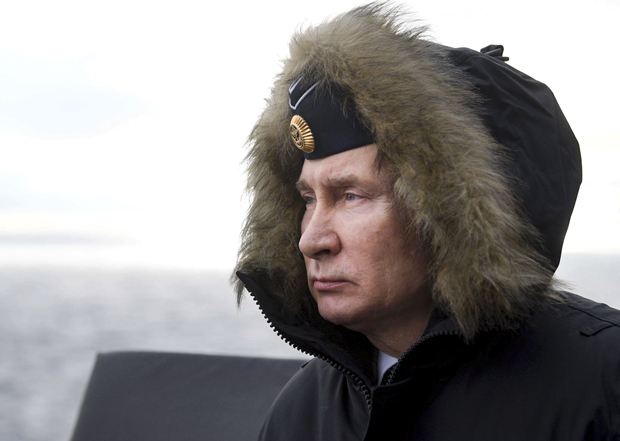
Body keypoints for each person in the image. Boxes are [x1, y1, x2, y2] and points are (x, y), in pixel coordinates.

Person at [233, 3, 620, 440]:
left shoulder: (604, 384)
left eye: (351, 196)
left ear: (450, 216)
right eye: (308, 199)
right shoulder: (302, 412)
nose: (311, 240)